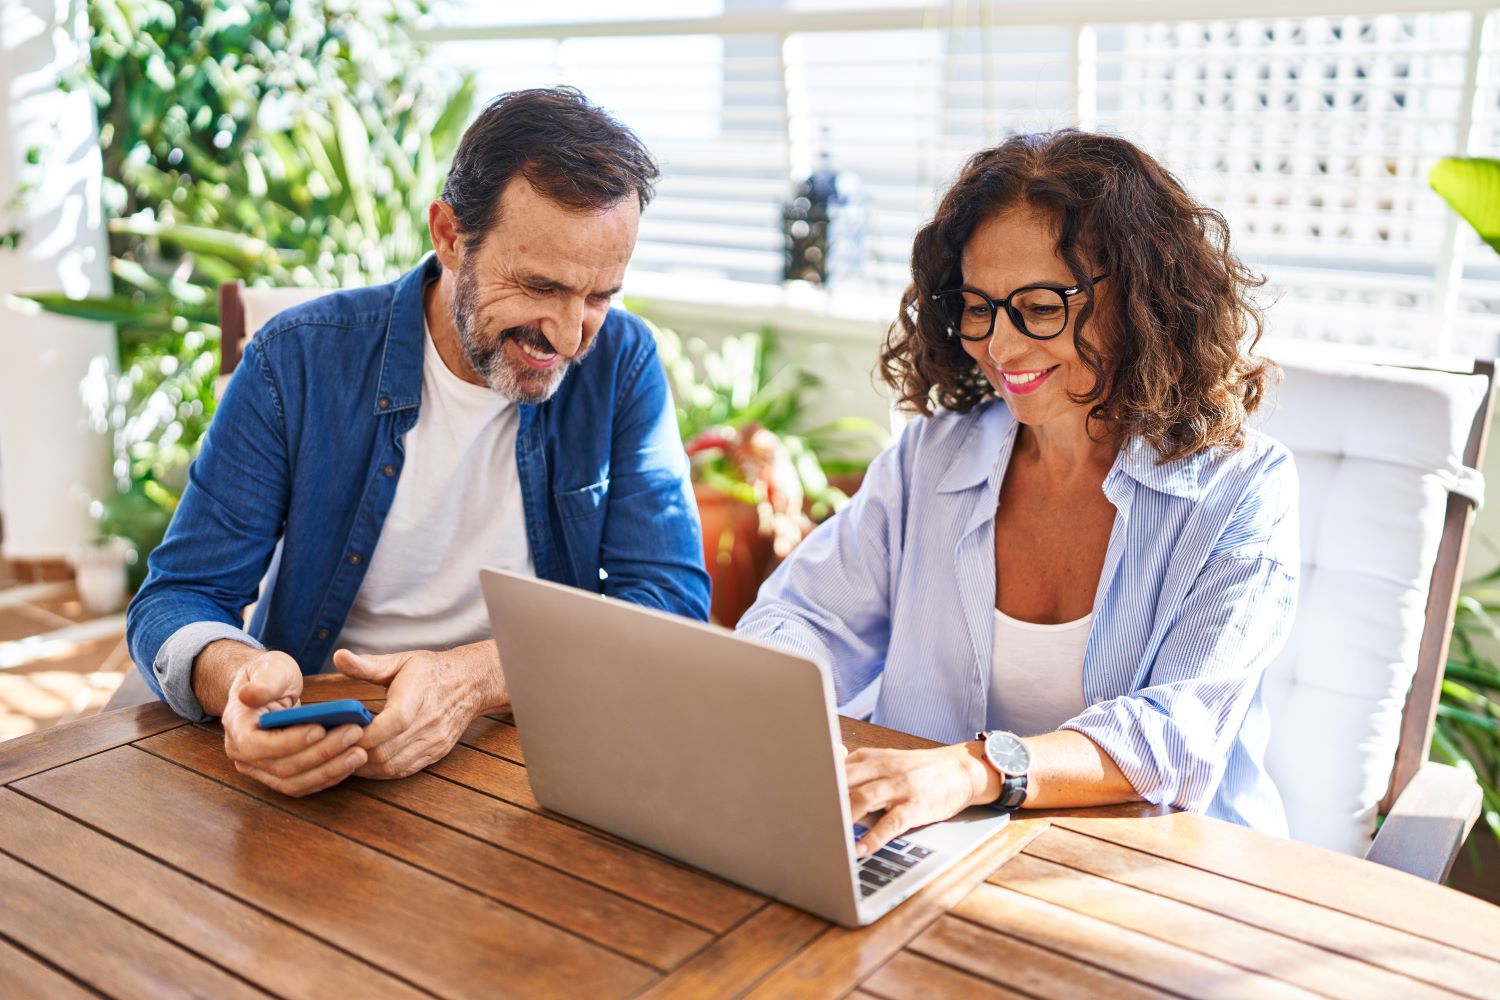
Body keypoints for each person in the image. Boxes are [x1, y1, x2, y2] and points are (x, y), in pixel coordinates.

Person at [126, 87, 709, 796]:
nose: (566, 333)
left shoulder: (622, 364)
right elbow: (180, 596)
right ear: (448, 236)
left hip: (527, 749)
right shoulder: (295, 360)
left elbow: (672, 604)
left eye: (598, 297)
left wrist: (479, 676)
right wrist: (239, 682)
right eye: (539, 287)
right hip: (329, 746)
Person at [736, 130, 1297, 856]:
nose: (1000, 348)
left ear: (1142, 298)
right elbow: (803, 615)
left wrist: (973, 771)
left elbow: (1176, 736)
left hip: (1162, 873)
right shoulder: (931, 458)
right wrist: (771, 696)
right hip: (928, 849)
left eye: (1038, 307)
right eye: (978, 307)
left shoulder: (1243, 487)